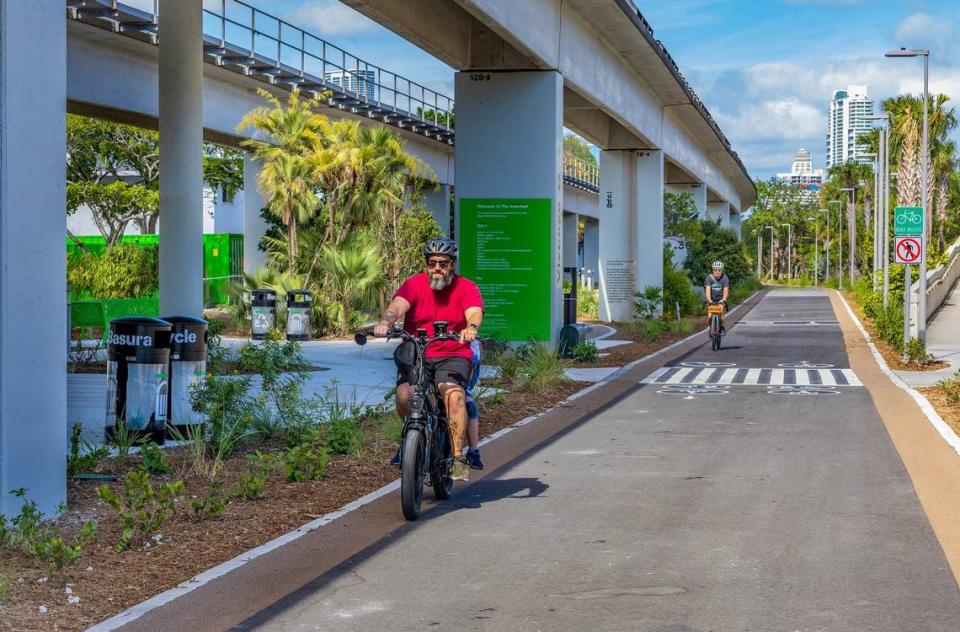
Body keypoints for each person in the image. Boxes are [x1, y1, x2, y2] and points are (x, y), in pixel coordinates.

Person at [374, 238, 483, 482]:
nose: (436, 268)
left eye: (442, 264)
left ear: (452, 264)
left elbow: (474, 311)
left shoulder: (466, 287)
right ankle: (410, 438)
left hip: (453, 353)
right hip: (417, 352)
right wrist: (386, 321)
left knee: (453, 395)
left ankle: (457, 458)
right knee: (404, 395)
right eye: (431, 263)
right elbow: (397, 307)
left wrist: (471, 327)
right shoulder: (414, 284)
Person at [464, 339, 484, 470]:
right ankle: (407, 444)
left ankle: (473, 451)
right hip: (433, 352)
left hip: (463, 352)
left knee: (469, 404)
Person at [704, 260, 730, 333]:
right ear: (713, 270)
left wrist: (724, 299)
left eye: (719, 270)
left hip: (721, 299)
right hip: (711, 299)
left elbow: (726, 291)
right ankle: (711, 329)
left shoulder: (725, 278)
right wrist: (709, 299)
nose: (717, 272)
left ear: (722, 270)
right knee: (709, 316)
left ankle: (721, 327)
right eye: (715, 270)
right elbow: (708, 290)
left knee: (721, 314)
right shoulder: (709, 278)